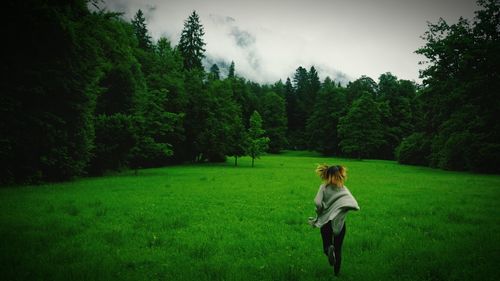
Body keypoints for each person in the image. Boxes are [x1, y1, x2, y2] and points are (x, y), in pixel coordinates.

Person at [308, 164, 360, 276]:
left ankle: (328, 249)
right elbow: (353, 203)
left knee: (327, 245)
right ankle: (336, 274)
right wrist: (343, 208)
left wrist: (320, 209)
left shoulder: (324, 187)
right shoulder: (343, 189)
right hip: (340, 222)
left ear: (326, 175)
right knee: (338, 249)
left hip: (326, 221)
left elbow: (317, 202)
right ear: (340, 175)